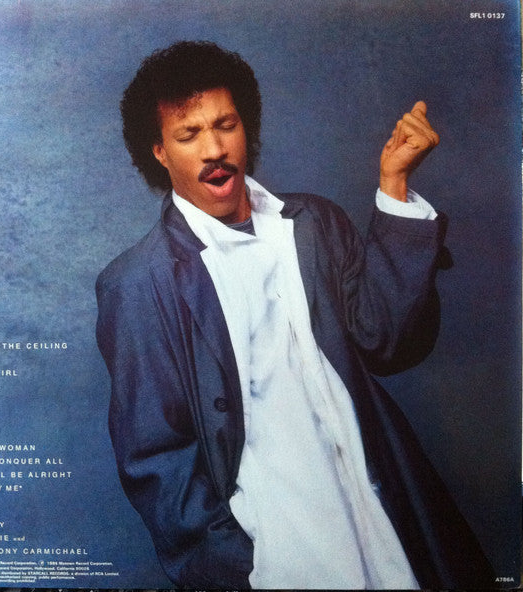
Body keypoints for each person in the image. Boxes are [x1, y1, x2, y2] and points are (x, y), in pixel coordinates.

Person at [96, 41, 494, 589]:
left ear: (247, 127)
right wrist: (244, 570)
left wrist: (394, 185)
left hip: (382, 515)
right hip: (280, 555)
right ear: (160, 152)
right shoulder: (139, 284)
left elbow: (388, 343)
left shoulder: (314, 223)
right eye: (189, 135)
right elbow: (158, 462)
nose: (214, 149)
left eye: (226, 125)